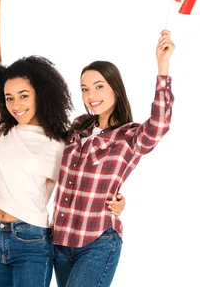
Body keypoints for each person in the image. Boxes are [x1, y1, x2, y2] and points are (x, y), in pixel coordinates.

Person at [0, 0, 125, 287]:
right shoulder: (4, 124)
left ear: (40, 95)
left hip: (32, 240)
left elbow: (91, 175)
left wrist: (116, 200)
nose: (16, 104)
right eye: (9, 98)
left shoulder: (60, 142)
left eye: (24, 96)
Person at [51, 30, 175, 286]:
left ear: (115, 90)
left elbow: (160, 124)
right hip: (60, 243)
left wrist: (163, 65)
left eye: (99, 87)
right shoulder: (78, 126)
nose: (90, 95)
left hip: (97, 241)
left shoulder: (130, 136)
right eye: (85, 89)